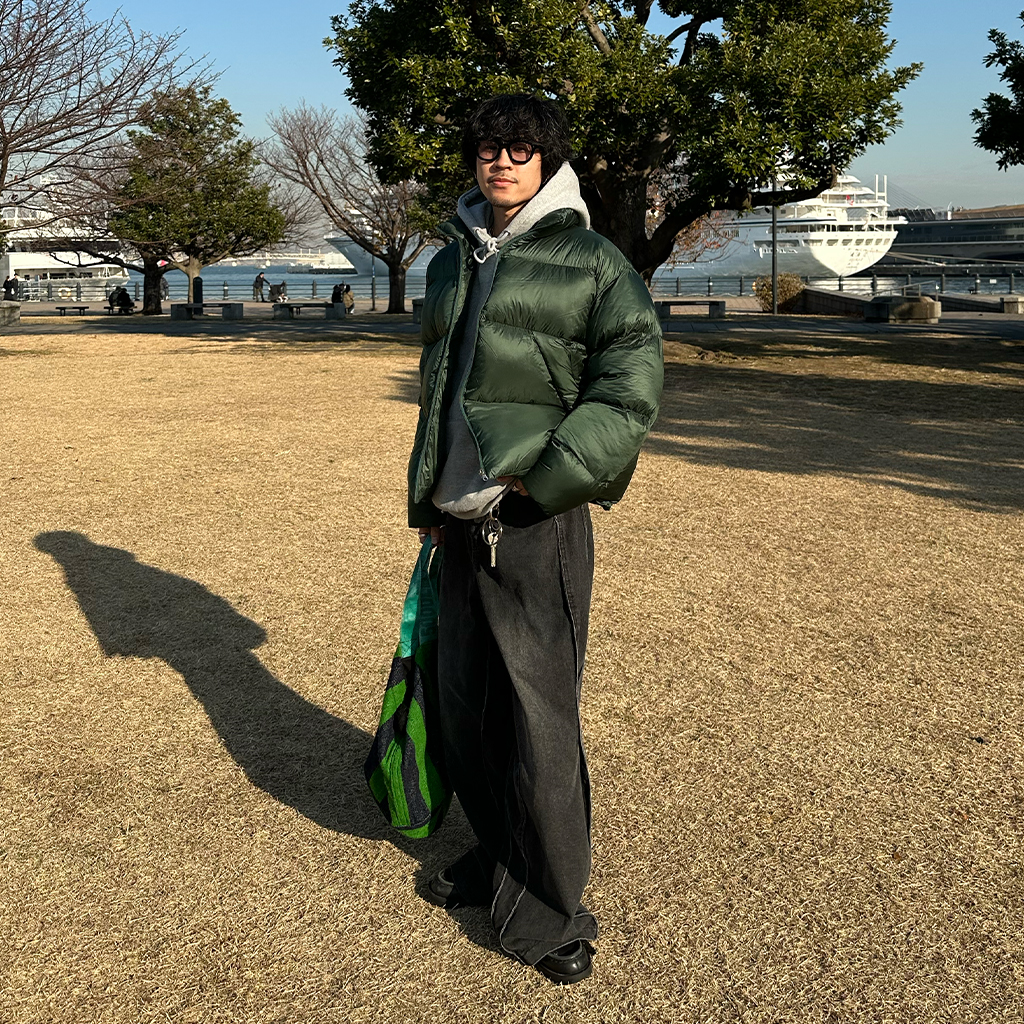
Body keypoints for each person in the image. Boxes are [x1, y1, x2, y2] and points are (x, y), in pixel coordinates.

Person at [407, 94, 663, 985]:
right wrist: (431, 498)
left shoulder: (592, 260)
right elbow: (441, 389)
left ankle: (552, 911)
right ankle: (496, 858)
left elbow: (630, 385)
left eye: (520, 149)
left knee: (537, 721)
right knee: (466, 710)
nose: (501, 162)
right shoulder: (451, 259)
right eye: (488, 148)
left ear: (547, 161)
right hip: (457, 523)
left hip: (532, 524)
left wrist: (545, 478)